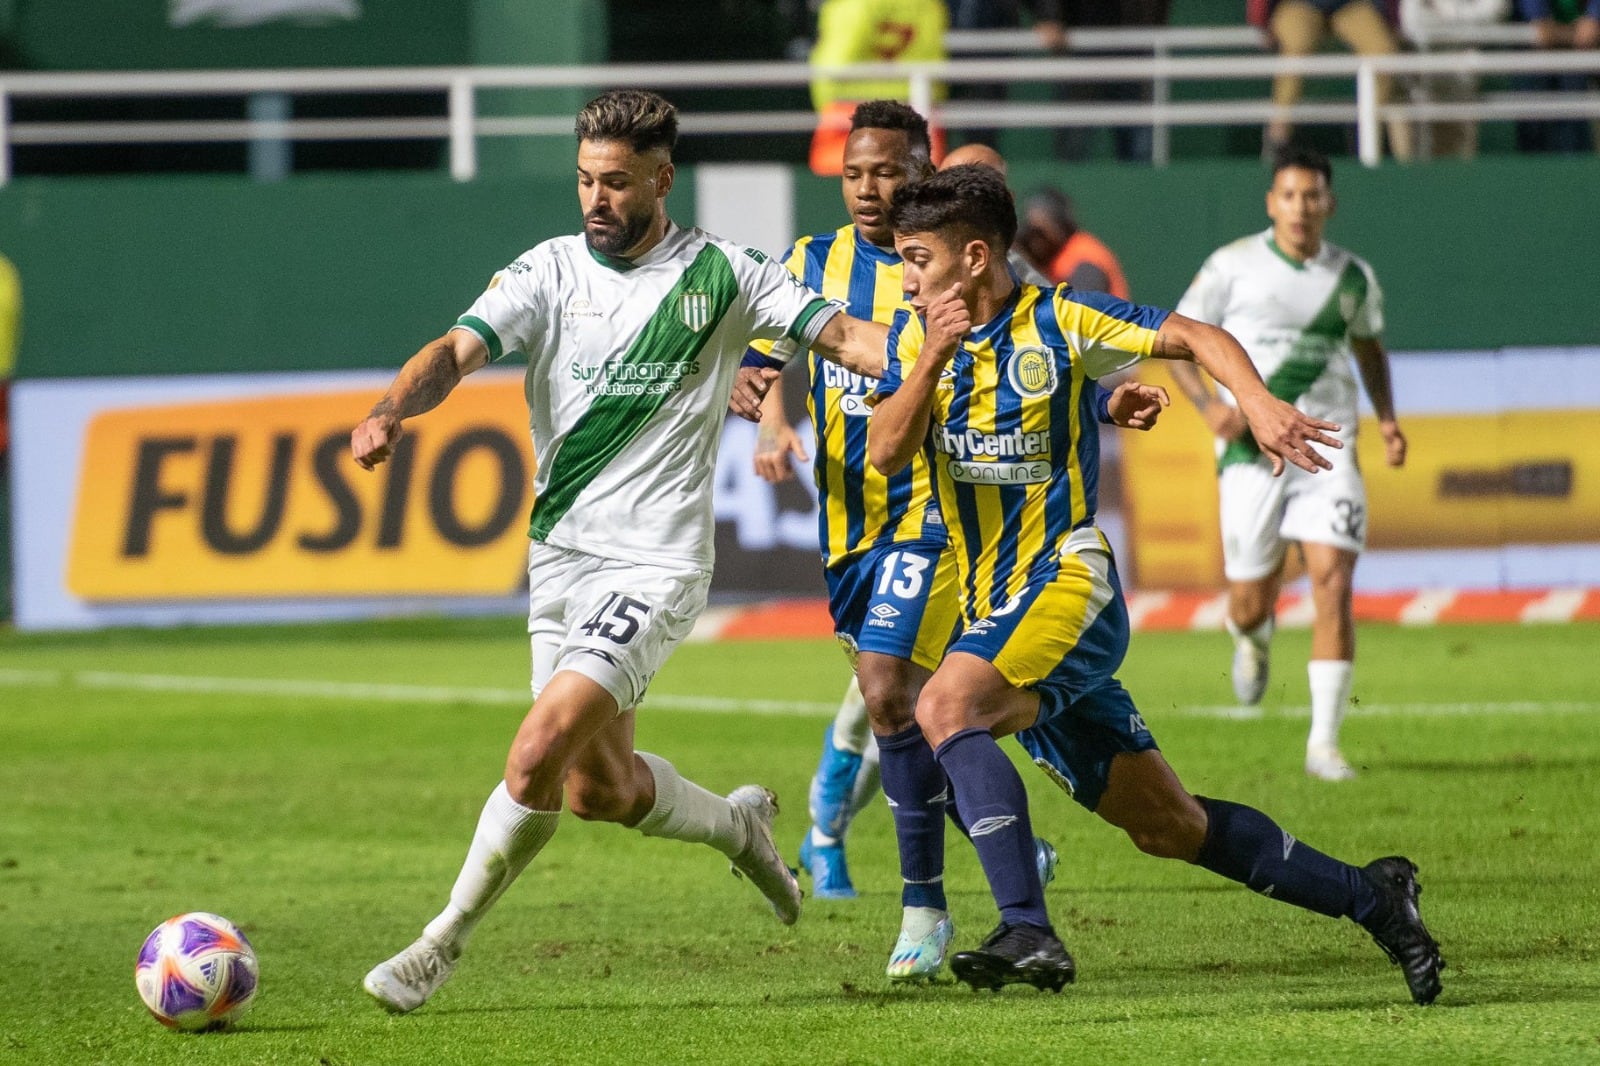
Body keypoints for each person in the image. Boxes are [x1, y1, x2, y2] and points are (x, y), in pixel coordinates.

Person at [351, 89, 890, 1015]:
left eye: (616, 183)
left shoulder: (724, 273)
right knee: (600, 790)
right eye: (585, 181)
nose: (596, 199)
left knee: (535, 755)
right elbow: (455, 349)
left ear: (661, 178)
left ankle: (441, 944)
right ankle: (742, 828)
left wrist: (950, 356)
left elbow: (844, 336)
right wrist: (391, 408)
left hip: (657, 566)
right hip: (561, 558)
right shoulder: (550, 270)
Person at [867, 162, 1443, 1004]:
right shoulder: (916, 337)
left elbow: (1198, 337)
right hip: (1001, 613)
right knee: (1169, 826)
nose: (907, 276)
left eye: (918, 258)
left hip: (1070, 584)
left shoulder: (1061, 318)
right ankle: (1376, 898)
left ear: (977, 257)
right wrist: (933, 358)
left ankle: (1027, 926)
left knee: (946, 707)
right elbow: (884, 449)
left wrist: (1255, 404)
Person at [747, 104, 1165, 980]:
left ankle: (922, 901)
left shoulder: (955, 275)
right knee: (906, 700)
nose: (871, 189)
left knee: (893, 689)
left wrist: (1101, 399)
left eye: (890, 172)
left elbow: (1023, 373)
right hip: (847, 522)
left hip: (934, 516)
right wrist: (767, 417)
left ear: (923, 174)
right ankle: (991, 841)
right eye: (857, 173)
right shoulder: (809, 266)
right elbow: (760, 360)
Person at [1167, 144, 1406, 782]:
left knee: (1332, 583)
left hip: (1328, 448)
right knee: (1249, 601)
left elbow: (1369, 348)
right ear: (1272, 202)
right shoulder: (1232, 266)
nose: (1301, 207)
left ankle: (1324, 744)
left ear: (1329, 203)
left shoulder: (1352, 276)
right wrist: (1206, 409)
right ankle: (1252, 633)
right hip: (1251, 452)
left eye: (1312, 196)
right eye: (1289, 195)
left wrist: (1385, 419)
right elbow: (1177, 340)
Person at [1249, 0, 1415, 161]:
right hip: (1297, 5)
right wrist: (1261, 21)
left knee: (1383, 52)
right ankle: (1278, 135)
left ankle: (1368, 137)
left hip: (1351, 6)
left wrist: (1393, 20)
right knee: (1297, 46)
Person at [809, 0, 950, 175]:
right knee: (920, 179)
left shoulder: (851, 5)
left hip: (849, 112)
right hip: (917, 109)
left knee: (844, 180)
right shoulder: (929, 5)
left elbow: (835, 64)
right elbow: (934, 60)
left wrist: (825, 103)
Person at [1398, 0, 1512, 159]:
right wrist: (1463, 24)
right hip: (1426, 88)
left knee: (1462, 164)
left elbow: (1494, 16)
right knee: (1424, 161)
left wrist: (1444, 16)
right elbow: (1415, 24)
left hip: (1466, 87)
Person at [1514, 0, 1600, 153]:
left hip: (1580, 53)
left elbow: (1588, 31)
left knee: (1573, 130)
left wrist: (1594, 17)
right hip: (1534, 54)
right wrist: (1538, 17)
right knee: (1533, 127)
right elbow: (1541, 27)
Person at [1014, 186, 1130, 298]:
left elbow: (1080, 310)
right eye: (1031, 233)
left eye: (1040, 233)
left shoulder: (1084, 256)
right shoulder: (1050, 258)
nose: (1036, 242)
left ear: (1060, 225)